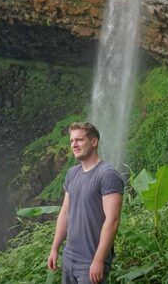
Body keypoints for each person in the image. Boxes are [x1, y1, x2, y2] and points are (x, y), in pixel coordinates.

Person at [47, 122, 124, 284]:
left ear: (94, 142)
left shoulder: (108, 175)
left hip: (90, 261)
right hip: (69, 258)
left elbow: (113, 221)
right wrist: (55, 249)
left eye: (79, 140)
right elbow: (65, 213)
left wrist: (99, 260)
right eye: (72, 141)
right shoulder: (71, 173)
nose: (74, 144)